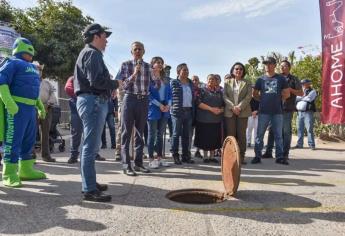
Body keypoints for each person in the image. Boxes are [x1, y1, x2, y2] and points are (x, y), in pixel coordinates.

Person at [74, 23, 118, 202]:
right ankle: (89, 189)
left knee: (91, 147)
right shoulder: (92, 53)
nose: (106, 40)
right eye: (104, 36)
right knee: (90, 147)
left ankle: (90, 182)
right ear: (96, 36)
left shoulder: (90, 53)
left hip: (92, 101)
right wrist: (115, 83)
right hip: (92, 101)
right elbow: (96, 81)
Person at [0, 37, 47, 187]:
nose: (30, 51)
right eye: (27, 48)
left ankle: (26, 170)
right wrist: (9, 103)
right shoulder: (11, 62)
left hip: (30, 109)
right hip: (17, 108)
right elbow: (2, 81)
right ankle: (9, 173)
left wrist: (40, 106)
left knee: (29, 140)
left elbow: (34, 90)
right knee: (13, 140)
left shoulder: (33, 68)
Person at [118, 41, 151, 176]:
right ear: (132, 52)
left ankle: (138, 163)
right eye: (135, 49)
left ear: (144, 51)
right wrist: (134, 74)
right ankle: (126, 165)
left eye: (140, 49)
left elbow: (156, 84)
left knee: (140, 133)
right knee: (126, 133)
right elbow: (123, 85)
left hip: (143, 100)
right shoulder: (125, 65)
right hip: (129, 99)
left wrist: (158, 74)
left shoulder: (148, 67)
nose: (138, 51)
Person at [251, 57, 290, 165]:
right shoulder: (260, 79)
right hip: (263, 111)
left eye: (270, 63)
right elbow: (254, 94)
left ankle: (280, 157)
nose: (267, 66)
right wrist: (262, 100)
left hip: (277, 112)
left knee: (278, 135)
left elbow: (287, 93)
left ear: (274, 65)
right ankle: (257, 156)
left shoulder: (281, 79)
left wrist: (279, 99)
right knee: (259, 135)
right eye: (266, 64)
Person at [262, 60, 303, 159]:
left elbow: (301, 93)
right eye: (281, 66)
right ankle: (268, 152)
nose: (282, 68)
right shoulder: (276, 78)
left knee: (286, 131)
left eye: (284, 66)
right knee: (272, 130)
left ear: (289, 67)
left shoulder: (294, 79)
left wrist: (290, 90)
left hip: (287, 109)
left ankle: (285, 154)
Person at [64, 76, 106, 164]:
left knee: (92, 132)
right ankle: (74, 155)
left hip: (91, 107)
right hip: (76, 109)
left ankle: (94, 153)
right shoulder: (73, 78)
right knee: (76, 133)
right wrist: (82, 95)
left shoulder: (91, 78)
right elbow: (68, 88)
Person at [223, 62, 252, 164]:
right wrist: (232, 107)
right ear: (233, 71)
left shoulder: (247, 82)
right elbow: (225, 96)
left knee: (241, 135)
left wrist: (239, 107)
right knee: (230, 135)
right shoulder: (227, 82)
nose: (238, 70)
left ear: (243, 71)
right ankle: (231, 156)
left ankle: (241, 156)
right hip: (230, 112)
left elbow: (248, 97)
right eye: (236, 69)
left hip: (242, 112)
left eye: (240, 69)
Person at [147, 56, 171, 169]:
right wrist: (159, 105)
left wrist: (168, 105)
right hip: (154, 108)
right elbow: (148, 95)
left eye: (161, 62)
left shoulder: (166, 79)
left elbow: (170, 94)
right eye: (157, 62)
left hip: (165, 108)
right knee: (152, 135)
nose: (160, 64)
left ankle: (160, 158)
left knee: (160, 135)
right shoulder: (149, 78)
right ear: (152, 64)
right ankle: (151, 159)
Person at [194, 74, 224, 163]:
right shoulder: (202, 90)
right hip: (204, 120)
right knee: (205, 139)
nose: (211, 81)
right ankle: (205, 157)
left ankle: (212, 156)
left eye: (213, 79)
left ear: (216, 82)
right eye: (210, 79)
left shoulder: (220, 92)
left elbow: (224, 105)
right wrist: (211, 109)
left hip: (216, 120)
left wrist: (220, 110)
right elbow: (198, 103)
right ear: (207, 80)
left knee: (214, 139)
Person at [170, 63, 195, 164]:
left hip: (188, 112)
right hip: (177, 112)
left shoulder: (190, 83)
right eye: (184, 70)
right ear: (178, 72)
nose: (186, 72)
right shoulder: (174, 82)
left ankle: (186, 155)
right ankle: (175, 155)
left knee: (186, 135)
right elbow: (170, 96)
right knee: (176, 134)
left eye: (187, 70)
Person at [36, 61, 58, 162]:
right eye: (36, 69)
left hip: (47, 109)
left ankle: (46, 155)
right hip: (33, 109)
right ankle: (29, 156)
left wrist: (47, 104)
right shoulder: (30, 82)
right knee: (30, 133)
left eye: (39, 69)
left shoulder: (47, 83)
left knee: (45, 134)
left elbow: (53, 95)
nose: (38, 71)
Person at [295, 79, 317, 150]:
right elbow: (296, 98)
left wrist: (300, 98)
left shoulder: (313, 91)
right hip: (299, 112)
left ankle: (311, 145)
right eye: (302, 83)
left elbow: (309, 99)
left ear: (308, 84)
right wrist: (303, 98)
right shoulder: (300, 91)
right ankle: (299, 144)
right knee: (299, 129)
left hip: (308, 112)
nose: (302, 84)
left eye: (304, 83)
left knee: (309, 129)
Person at [190, 75, 202, 158]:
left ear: (198, 81)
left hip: (200, 115)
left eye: (196, 80)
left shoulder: (201, 91)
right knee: (189, 134)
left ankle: (198, 151)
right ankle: (188, 151)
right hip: (190, 115)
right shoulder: (188, 89)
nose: (194, 81)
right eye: (193, 80)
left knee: (199, 134)